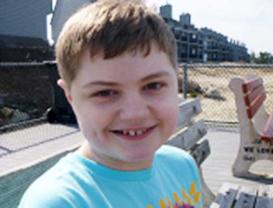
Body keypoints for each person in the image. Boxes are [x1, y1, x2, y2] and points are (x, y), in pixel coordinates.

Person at [18, 0, 202, 207]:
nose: (135, 114)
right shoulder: (60, 201)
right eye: (105, 92)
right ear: (70, 97)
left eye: (153, 86)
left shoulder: (182, 166)